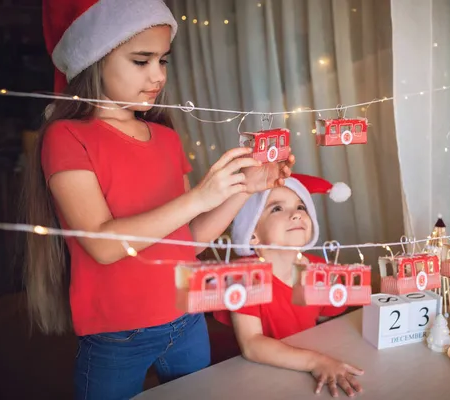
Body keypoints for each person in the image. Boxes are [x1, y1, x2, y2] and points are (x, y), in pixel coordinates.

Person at [22, 1, 294, 399]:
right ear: (93, 60)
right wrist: (201, 196)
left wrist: (244, 189)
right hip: (116, 335)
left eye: (163, 60)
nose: (157, 76)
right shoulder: (66, 136)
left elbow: (191, 241)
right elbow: (101, 244)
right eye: (141, 60)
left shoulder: (165, 137)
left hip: (187, 320)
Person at [214, 173, 365, 398]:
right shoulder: (245, 275)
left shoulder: (316, 266)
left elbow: (332, 312)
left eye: (301, 207)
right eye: (277, 209)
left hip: (302, 368)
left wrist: (325, 282)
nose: (296, 215)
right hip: (256, 377)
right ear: (253, 235)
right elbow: (252, 345)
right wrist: (316, 361)